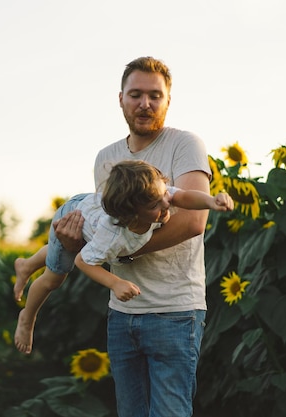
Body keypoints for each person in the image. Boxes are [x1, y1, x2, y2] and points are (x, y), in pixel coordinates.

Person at [53, 56, 212, 417]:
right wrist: (72, 243)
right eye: (136, 94)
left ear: (168, 100)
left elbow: (192, 222)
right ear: (121, 99)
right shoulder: (106, 158)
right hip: (122, 311)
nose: (145, 103)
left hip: (174, 310)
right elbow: (107, 229)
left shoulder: (185, 144)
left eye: (155, 95)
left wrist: (121, 255)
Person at [13, 160, 233, 355]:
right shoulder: (112, 236)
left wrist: (211, 201)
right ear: (131, 214)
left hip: (92, 207)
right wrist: (115, 283)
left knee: (58, 250)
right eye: (155, 205)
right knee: (55, 277)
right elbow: (83, 260)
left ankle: (26, 266)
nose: (167, 203)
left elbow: (183, 196)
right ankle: (27, 317)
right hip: (74, 215)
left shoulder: (156, 193)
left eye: (165, 194)